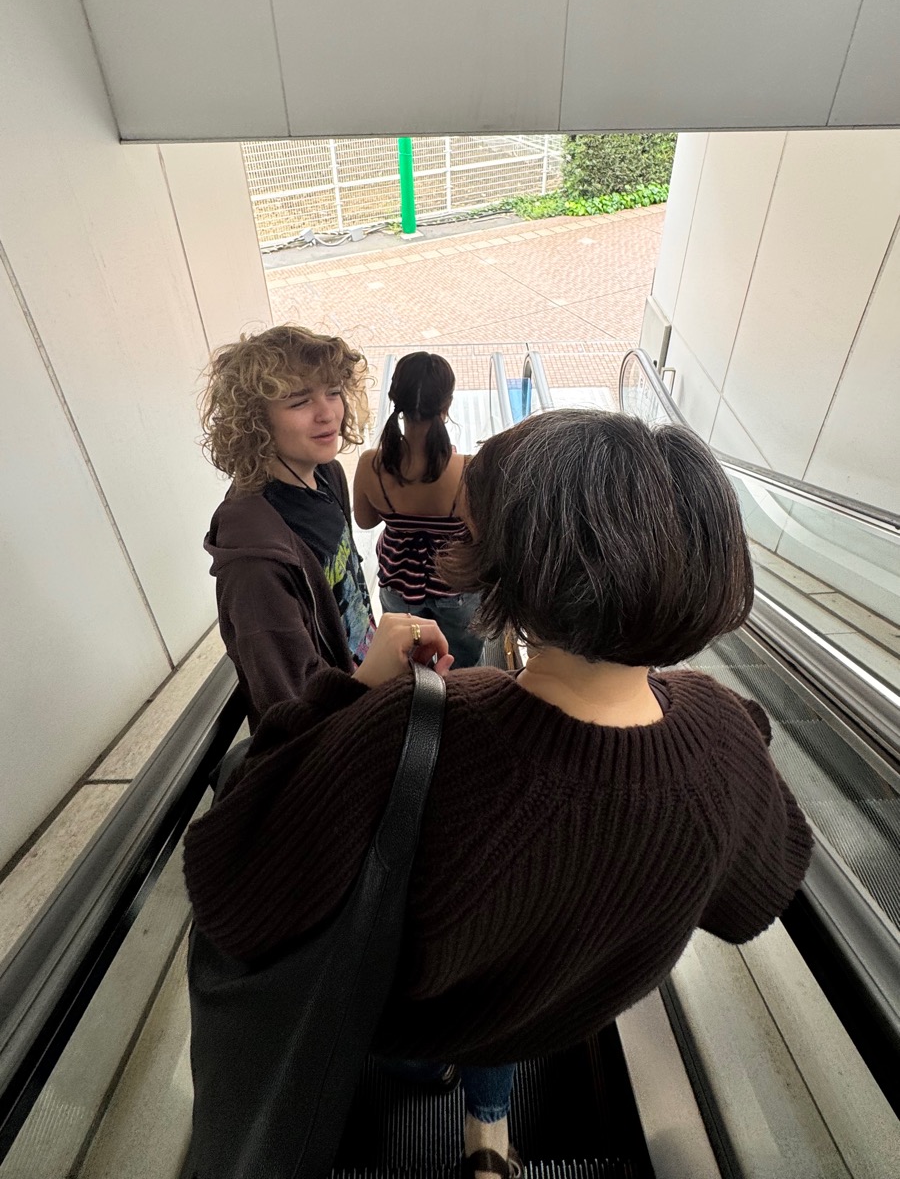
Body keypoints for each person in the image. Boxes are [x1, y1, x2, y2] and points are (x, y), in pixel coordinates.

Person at [185, 410, 813, 1179]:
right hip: (549, 1017)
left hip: (412, 1020)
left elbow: (234, 877)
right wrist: (732, 735)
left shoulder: (412, 730)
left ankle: (427, 1081)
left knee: (419, 1050)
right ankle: (489, 1138)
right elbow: (753, 897)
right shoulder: (718, 734)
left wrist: (349, 694)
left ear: (507, 572)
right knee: (499, 1023)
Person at [200, 324, 389, 729]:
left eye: (334, 392)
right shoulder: (254, 564)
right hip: (340, 734)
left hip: (369, 689)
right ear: (256, 421)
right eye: (300, 401)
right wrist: (381, 676)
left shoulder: (328, 475)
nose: (328, 414)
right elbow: (291, 712)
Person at [354, 351, 484, 668]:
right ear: (447, 405)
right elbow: (483, 538)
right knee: (461, 663)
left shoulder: (371, 464)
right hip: (455, 589)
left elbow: (365, 520)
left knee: (407, 662)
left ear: (394, 397)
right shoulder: (467, 470)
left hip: (398, 583)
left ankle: (416, 706)